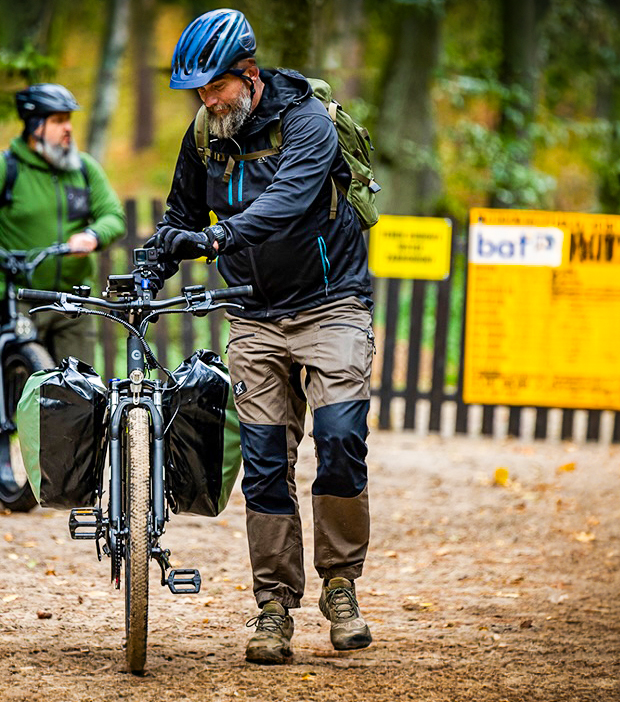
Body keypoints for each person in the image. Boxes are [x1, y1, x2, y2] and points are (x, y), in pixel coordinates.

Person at [150, 9, 375, 664]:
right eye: (198, 92)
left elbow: (288, 204)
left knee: (340, 442)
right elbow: (182, 214)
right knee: (266, 462)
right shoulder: (205, 135)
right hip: (252, 314)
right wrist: (157, 260)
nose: (207, 102)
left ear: (248, 74)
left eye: (215, 88)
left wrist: (218, 236)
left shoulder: (308, 123)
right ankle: (274, 606)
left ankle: (340, 586)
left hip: (331, 306)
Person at [0, 83, 125, 497]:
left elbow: (113, 215)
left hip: (74, 298)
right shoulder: (7, 167)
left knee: (80, 391)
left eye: (68, 120)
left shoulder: (84, 169)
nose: (67, 129)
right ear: (35, 127)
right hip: (19, 298)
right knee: (16, 384)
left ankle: (69, 482)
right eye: (58, 121)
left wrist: (93, 235)